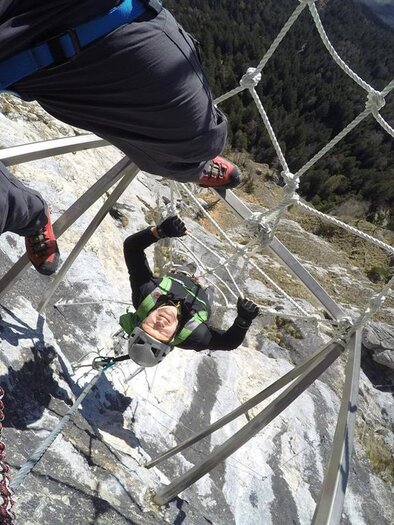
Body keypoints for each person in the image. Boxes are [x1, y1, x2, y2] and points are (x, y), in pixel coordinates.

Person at [0, 1, 243, 276]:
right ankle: (28, 215)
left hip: (90, 16)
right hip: (32, 57)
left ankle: (191, 163)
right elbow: (133, 249)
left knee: (199, 140)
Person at [120, 215, 259, 367]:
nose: (159, 324)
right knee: (208, 299)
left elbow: (132, 248)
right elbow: (228, 343)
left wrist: (159, 232)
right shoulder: (195, 336)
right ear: (172, 339)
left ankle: (188, 274)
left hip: (180, 276)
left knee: (183, 272)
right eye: (161, 333)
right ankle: (205, 292)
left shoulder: (145, 295)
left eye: (150, 326)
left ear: (142, 320)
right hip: (202, 300)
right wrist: (244, 320)